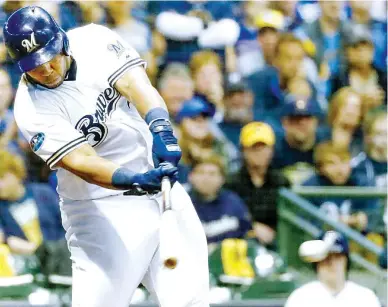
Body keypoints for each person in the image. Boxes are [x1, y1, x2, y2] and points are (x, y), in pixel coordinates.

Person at [3, 6, 209, 307]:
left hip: (159, 188)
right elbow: (82, 161)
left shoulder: (93, 40)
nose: (44, 69)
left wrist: (161, 128)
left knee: (189, 299)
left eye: (48, 56)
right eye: (33, 64)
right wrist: (132, 179)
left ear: (61, 41)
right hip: (100, 209)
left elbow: (136, 85)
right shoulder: (30, 107)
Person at [225, 122, 290, 247]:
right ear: (243, 150)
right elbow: (226, 215)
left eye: (264, 147)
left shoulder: (281, 181)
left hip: (277, 242)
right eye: (254, 148)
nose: (259, 152)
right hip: (240, 242)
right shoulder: (231, 183)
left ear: (272, 150)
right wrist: (251, 227)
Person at [285, 230, 381, 307]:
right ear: (317, 262)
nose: (332, 263)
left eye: (337, 256)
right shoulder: (301, 298)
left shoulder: (365, 297)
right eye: (326, 258)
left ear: (346, 260)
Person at [188, 156, 251, 245]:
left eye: (212, 174)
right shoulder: (181, 203)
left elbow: (247, 232)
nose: (206, 178)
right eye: (201, 173)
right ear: (191, 176)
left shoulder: (233, 201)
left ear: (222, 179)